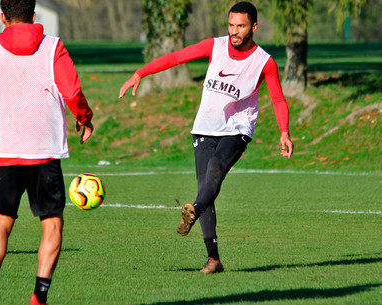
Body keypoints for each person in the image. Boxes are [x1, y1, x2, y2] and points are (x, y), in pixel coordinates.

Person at [119, 1, 293, 274]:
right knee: (205, 187)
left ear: (254, 27)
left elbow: (278, 98)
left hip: (236, 129)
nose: (234, 31)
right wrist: (140, 73)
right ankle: (213, 258)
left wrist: (284, 131)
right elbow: (176, 57)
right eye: (231, 25)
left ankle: (194, 209)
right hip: (204, 127)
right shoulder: (214, 46)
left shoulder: (264, 62)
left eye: (241, 26)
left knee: (216, 169)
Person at [0, 0, 94, 304]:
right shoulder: (53, 47)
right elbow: (72, 92)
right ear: (34, 16)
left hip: (3, 152)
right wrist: (84, 118)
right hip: (44, 153)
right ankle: (38, 297)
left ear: (2, 17)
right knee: (52, 224)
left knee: (1, 223)